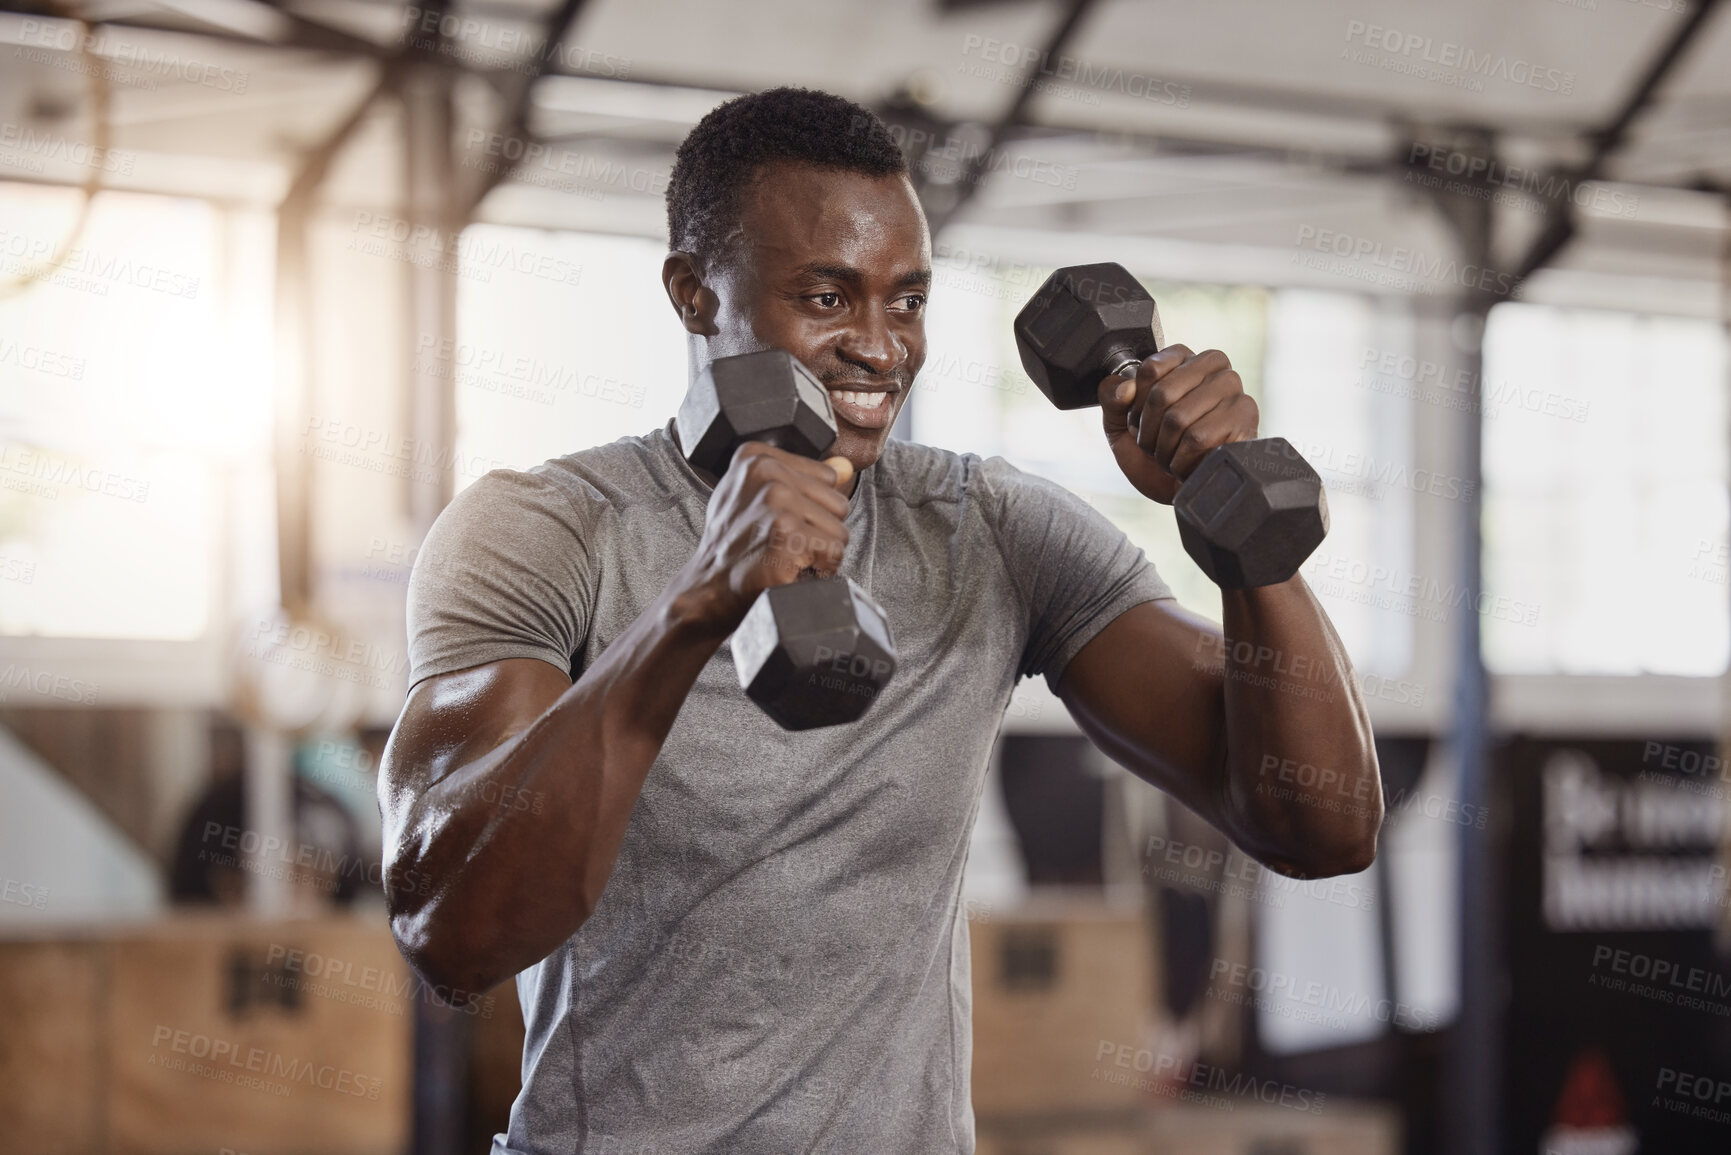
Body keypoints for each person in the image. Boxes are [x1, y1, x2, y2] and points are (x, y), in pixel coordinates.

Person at [379, 86, 1380, 1154]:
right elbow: (455, 934)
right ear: (692, 293)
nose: (878, 347)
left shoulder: (986, 528)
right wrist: (693, 610)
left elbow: (1319, 825)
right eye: (826, 296)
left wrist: (1235, 524)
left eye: (905, 301)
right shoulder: (545, 532)